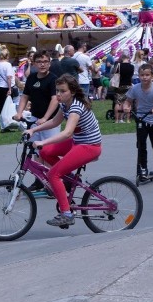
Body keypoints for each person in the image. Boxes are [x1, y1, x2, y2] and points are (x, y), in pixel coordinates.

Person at [24, 74, 102, 227]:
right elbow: (54, 122)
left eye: (62, 91)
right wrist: (34, 130)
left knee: (53, 174)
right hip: (79, 142)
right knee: (45, 152)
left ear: (72, 92)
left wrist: (43, 141)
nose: (58, 94)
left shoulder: (75, 107)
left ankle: (66, 213)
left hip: (90, 146)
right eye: (57, 91)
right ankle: (69, 179)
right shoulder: (64, 104)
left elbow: (67, 133)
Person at [13, 51, 60, 197]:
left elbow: (55, 99)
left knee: (49, 152)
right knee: (35, 151)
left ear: (49, 63)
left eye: (45, 61)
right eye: (39, 61)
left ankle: (53, 182)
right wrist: (19, 113)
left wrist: (46, 117)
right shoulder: (32, 78)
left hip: (51, 121)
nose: (42, 64)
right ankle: (40, 180)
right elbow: (25, 96)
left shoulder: (53, 79)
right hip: (34, 119)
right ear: (34, 63)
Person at [0, 46, 14, 123]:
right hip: (5, 87)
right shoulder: (8, 65)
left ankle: (1, 123)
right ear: (7, 55)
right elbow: (9, 77)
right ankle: (8, 122)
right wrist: (10, 89)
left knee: (0, 106)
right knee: (8, 106)